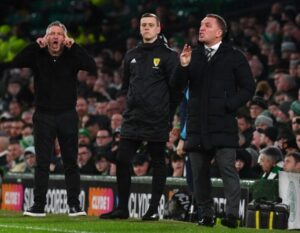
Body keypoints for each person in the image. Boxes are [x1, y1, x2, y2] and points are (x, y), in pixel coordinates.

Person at [4, 21, 97, 217]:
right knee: (42, 162)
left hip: (67, 114)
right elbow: (17, 61)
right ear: (46, 38)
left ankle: (74, 205)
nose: (55, 37)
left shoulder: (72, 55)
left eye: (59, 34)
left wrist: (76, 46)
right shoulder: (38, 54)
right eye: (51, 34)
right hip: (43, 115)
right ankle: (39, 205)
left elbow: (91, 66)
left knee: (71, 161)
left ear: (64, 38)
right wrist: (34, 45)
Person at [170, 14, 255, 228]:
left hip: (223, 123)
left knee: (228, 169)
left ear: (220, 32)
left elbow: (248, 87)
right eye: (200, 25)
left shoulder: (234, 56)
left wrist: (229, 104)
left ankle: (232, 214)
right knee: (198, 173)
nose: (201, 28)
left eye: (207, 25)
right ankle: (205, 214)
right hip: (197, 124)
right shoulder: (193, 55)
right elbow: (176, 87)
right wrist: (183, 66)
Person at [100, 13, 179, 221]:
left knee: (158, 161)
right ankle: (122, 208)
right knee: (122, 159)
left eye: (150, 25)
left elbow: (176, 89)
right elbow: (125, 86)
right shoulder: (131, 55)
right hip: (133, 117)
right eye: (143, 25)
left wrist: (168, 115)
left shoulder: (169, 56)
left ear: (158, 28)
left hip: (157, 118)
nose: (146, 28)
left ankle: (153, 209)